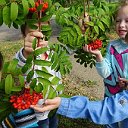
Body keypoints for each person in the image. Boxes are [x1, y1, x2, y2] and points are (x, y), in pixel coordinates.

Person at [82, 0, 128, 127]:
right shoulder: (111, 46)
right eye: (118, 21)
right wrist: (99, 56)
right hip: (111, 94)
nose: (121, 25)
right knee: (109, 122)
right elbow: (106, 73)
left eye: (127, 21)